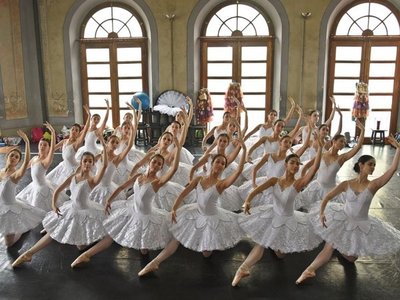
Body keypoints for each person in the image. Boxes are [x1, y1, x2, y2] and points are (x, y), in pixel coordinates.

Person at [295, 134, 400, 285]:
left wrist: (398, 148)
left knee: (351, 258)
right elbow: (327, 197)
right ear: (361, 165)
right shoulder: (347, 184)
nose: (373, 167)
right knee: (328, 247)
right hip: (342, 217)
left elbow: (392, 168)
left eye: (374, 165)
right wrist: (322, 212)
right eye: (370, 164)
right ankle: (309, 270)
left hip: (360, 222)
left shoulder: (374, 185)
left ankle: (340, 245)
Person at [137, 139, 247, 277]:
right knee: (177, 237)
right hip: (195, 211)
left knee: (206, 253)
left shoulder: (221, 184)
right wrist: (175, 209)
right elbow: (183, 194)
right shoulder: (199, 180)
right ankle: (154, 263)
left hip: (211, 217)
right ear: (212, 164)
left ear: (224, 167)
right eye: (217, 162)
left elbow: (238, 172)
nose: (220, 164)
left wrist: (244, 150)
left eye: (223, 163)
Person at [69, 137, 182, 268]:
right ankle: (86, 255)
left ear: (161, 167)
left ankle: (154, 263)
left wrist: (178, 148)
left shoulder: (157, 182)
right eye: (154, 162)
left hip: (147, 215)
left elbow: (173, 169)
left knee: (146, 248)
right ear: (149, 162)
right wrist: (109, 200)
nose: (155, 165)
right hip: (131, 211)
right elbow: (122, 187)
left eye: (159, 164)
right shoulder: (138, 176)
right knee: (111, 235)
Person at [231, 136, 324, 287]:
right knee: (262, 242)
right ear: (286, 165)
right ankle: (242, 269)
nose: (295, 166)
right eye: (292, 163)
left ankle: (276, 249)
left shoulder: (298, 183)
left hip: (288, 219)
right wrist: (247, 201)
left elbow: (314, 168)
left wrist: (319, 148)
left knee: (280, 254)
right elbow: (256, 191)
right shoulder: (274, 180)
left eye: (297, 164)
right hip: (272, 215)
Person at [12, 137, 109, 268]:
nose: (87, 164)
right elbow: (57, 190)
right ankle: (29, 253)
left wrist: (103, 145)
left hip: (86, 210)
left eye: (90, 162)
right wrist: (53, 204)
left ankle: (85, 253)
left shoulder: (92, 180)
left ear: (92, 164)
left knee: (83, 244)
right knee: (54, 231)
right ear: (81, 163)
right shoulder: (73, 177)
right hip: (72, 208)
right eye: (85, 161)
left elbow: (104, 166)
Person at [297, 119, 365, 211]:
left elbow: (357, 148)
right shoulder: (321, 155)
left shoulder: (341, 158)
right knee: (308, 211)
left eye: (344, 142)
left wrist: (363, 130)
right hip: (317, 188)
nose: (343, 143)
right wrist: (304, 182)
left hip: (331, 190)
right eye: (341, 141)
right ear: (334, 141)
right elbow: (306, 167)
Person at [0, 130, 45, 247]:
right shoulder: (0, 172)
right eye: (12, 155)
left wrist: (27, 142)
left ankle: (23, 229)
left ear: (18, 161)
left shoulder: (15, 175)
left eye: (17, 157)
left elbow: (26, 164)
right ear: (7, 157)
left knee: (8, 244)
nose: (14, 157)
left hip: (10, 208)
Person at [88, 121, 134, 205]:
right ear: (107, 143)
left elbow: (129, 146)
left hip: (108, 188)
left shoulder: (117, 159)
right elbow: (88, 166)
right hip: (96, 186)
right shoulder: (99, 156)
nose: (115, 144)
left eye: (117, 143)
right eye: (112, 142)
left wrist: (132, 130)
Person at [16, 123, 59, 212]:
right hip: (33, 186)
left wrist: (52, 132)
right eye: (41, 144)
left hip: (42, 189)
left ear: (48, 148)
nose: (42, 146)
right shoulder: (35, 158)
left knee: (38, 210)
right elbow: (24, 168)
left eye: (45, 145)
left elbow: (52, 149)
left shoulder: (46, 161)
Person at [46, 106, 91, 187]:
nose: (74, 131)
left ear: (78, 134)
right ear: (70, 130)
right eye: (73, 129)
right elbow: (52, 149)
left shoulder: (77, 143)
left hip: (73, 169)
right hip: (64, 167)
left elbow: (84, 132)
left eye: (76, 130)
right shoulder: (64, 141)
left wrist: (89, 116)